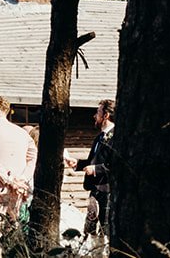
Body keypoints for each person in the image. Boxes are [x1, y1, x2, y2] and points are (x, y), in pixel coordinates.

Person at [0, 96, 36, 229]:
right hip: (17, 189)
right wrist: (22, 179)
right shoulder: (22, 133)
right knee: (13, 229)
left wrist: (9, 180)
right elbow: (32, 158)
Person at [71, 98, 114, 239]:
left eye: (98, 112)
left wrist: (96, 169)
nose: (95, 116)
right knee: (89, 231)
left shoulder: (116, 137)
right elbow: (91, 162)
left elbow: (115, 165)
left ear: (106, 115)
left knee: (105, 231)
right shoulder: (99, 137)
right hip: (94, 190)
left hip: (107, 190)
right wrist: (76, 163)